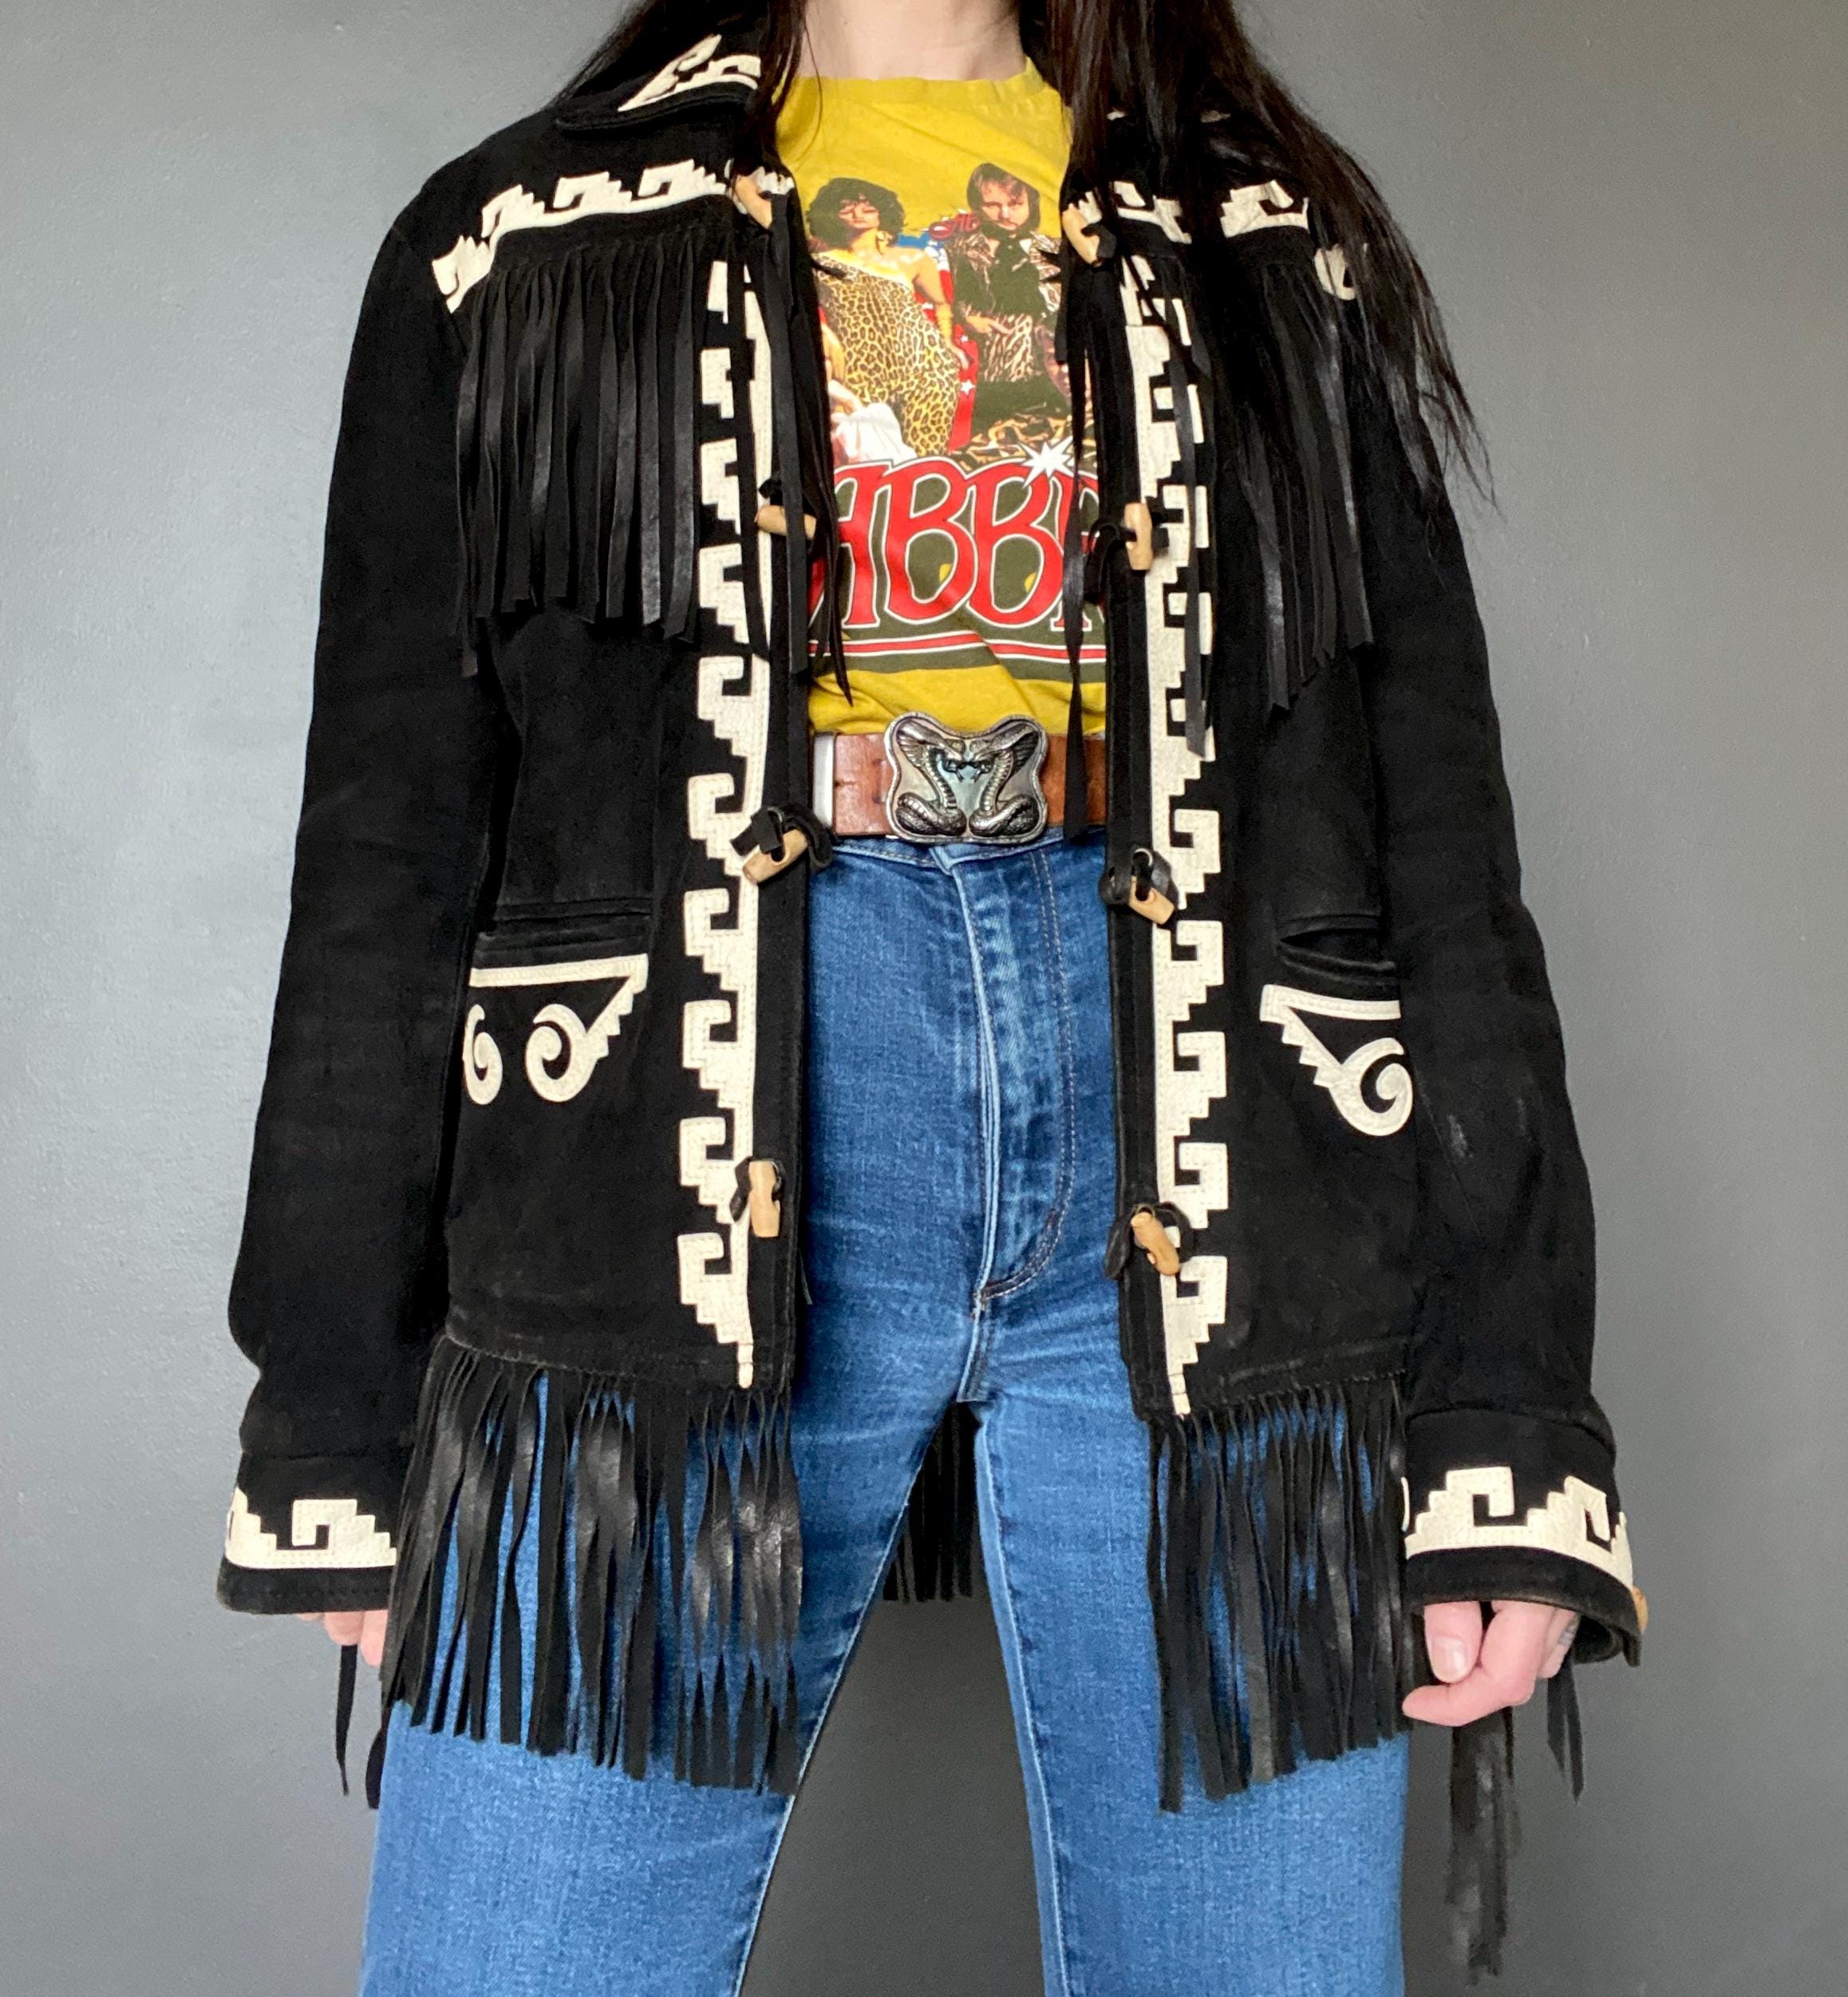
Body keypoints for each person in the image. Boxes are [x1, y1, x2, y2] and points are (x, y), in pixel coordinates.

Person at [215, 0, 1645, 1991]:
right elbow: (388, 840)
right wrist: (339, 1408)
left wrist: (1512, 1412)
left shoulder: (1260, 243)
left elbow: (1438, 839)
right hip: (671, 1153)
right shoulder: (522, 240)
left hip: (1218, 1157)